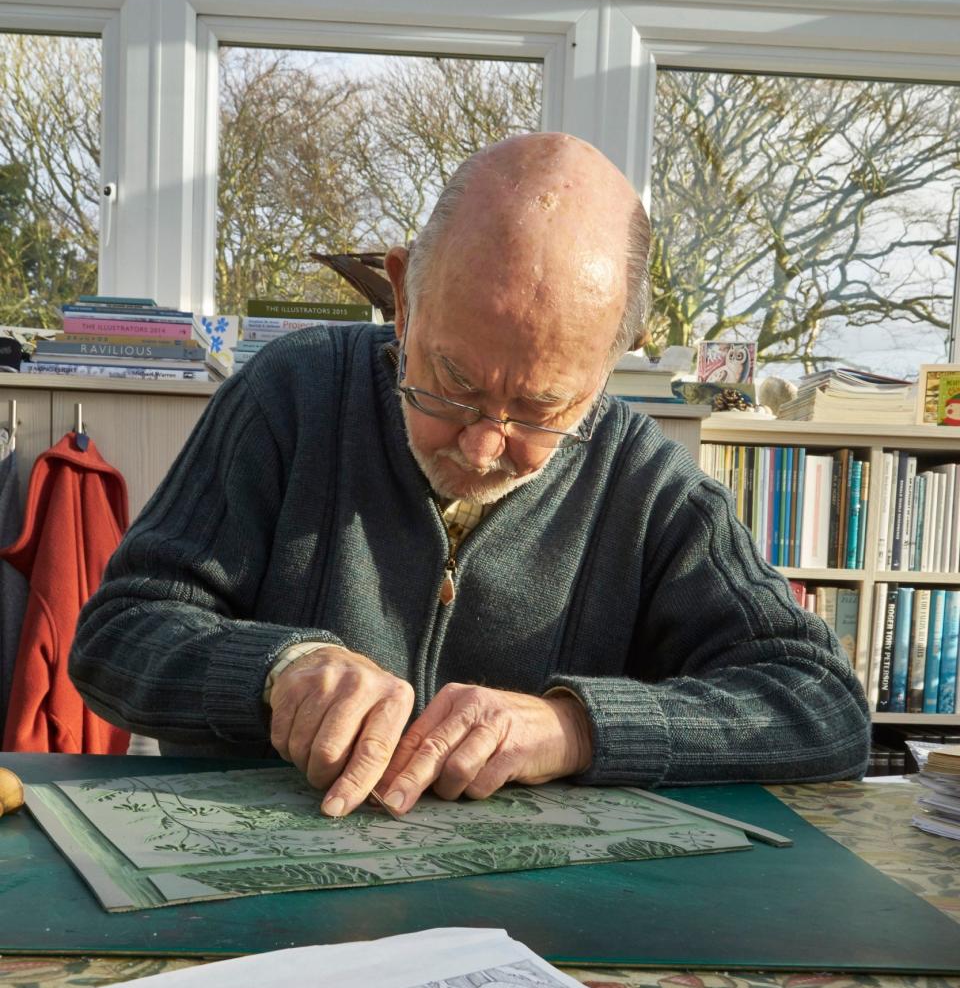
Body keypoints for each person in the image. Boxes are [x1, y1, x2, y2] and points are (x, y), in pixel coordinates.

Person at [69, 132, 870, 815]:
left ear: (607, 370)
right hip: (242, 892)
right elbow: (116, 636)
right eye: (452, 383)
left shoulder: (651, 487)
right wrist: (280, 672)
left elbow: (822, 708)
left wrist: (571, 728)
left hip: (531, 928)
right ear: (404, 302)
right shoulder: (292, 396)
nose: (484, 445)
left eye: (541, 408)